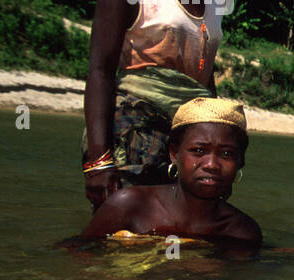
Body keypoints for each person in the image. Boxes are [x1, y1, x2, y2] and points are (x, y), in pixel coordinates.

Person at [82, 0, 227, 211]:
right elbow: (100, 71)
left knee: (188, 245)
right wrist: (98, 161)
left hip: (189, 140)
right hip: (133, 135)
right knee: (126, 242)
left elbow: (204, 80)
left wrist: (217, 143)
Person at [81, 97, 261, 247]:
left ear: (240, 161)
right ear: (174, 154)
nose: (211, 164)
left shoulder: (241, 232)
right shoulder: (130, 205)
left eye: (226, 154)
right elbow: (80, 254)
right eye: (198, 151)